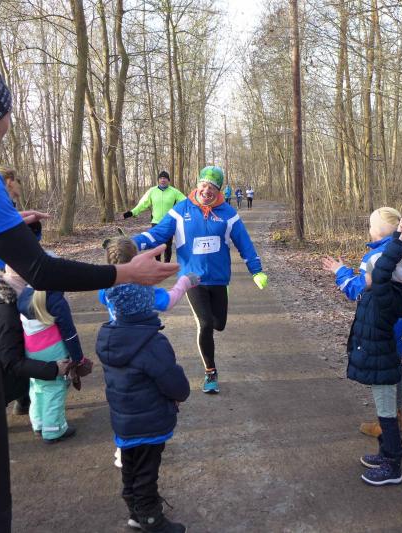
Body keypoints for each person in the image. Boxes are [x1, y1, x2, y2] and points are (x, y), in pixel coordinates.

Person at [0, 60, 177, 532]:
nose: (8, 125)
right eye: (7, 114)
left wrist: (4, 225)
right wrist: (125, 272)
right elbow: (39, 270)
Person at [132, 166, 268, 394]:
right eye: (204, 185)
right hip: (192, 277)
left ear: (219, 190)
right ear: (197, 185)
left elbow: (244, 243)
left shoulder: (228, 214)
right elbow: (157, 234)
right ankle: (210, 372)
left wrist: (256, 271)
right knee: (205, 324)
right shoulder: (181, 210)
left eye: (213, 187)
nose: (207, 190)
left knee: (218, 324)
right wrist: (132, 243)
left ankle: (215, 313)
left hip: (219, 279)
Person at [96, 256, 192, 532]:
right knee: (147, 473)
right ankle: (151, 519)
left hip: (124, 422)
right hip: (150, 423)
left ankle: (135, 513)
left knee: (131, 468)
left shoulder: (108, 338)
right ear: (145, 306)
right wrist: (181, 393)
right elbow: (173, 382)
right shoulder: (152, 342)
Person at [346, 216, 402, 486]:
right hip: (382, 359)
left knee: (387, 415)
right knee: (385, 411)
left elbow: (381, 271)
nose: (368, 276)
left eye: (373, 272)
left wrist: (399, 241)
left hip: (383, 361)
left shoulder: (386, 293)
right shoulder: (390, 292)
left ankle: (393, 462)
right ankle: (384, 453)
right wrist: (398, 237)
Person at [322, 207, 402, 437]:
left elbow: (357, 289)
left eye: (371, 225)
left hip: (385, 322)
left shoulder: (376, 257)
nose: (369, 229)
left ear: (377, 231)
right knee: (394, 365)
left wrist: (340, 271)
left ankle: (387, 425)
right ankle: (397, 416)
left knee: (382, 371)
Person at [0, 221, 70, 413]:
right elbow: (10, 361)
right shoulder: (7, 310)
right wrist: (54, 369)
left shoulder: (22, 293)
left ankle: (24, 399)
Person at [17, 273, 92, 443]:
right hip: (53, 350)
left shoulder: (24, 294)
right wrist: (78, 357)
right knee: (55, 388)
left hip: (31, 349)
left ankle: (38, 423)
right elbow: (69, 333)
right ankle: (54, 430)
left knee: (37, 385)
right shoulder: (55, 299)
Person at [123, 170, 186, 262]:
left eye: (165, 178)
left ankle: (166, 264)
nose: (163, 180)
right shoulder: (152, 191)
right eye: (161, 178)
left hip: (169, 223)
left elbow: (185, 202)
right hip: (156, 222)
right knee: (156, 244)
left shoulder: (174, 191)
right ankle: (157, 263)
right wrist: (132, 212)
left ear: (168, 180)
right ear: (158, 180)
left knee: (167, 245)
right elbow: (143, 204)